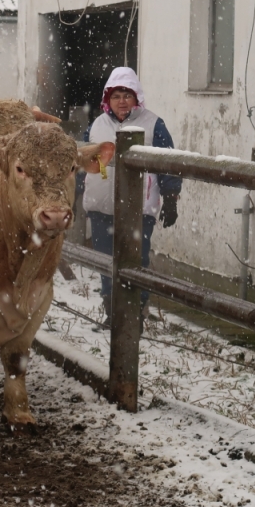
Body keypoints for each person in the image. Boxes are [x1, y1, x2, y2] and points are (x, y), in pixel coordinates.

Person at [78, 67, 181, 329]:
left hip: (139, 209)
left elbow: (168, 163)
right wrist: (77, 191)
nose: (122, 100)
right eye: (116, 95)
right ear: (107, 99)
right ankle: (112, 313)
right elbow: (81, 161)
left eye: (127, 94)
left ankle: (134, 316)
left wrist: (170, 199)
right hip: (101, 208)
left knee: (136, 262)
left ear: (137, 98)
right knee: (106, 262)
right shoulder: (96, 126)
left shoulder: (153, 124)